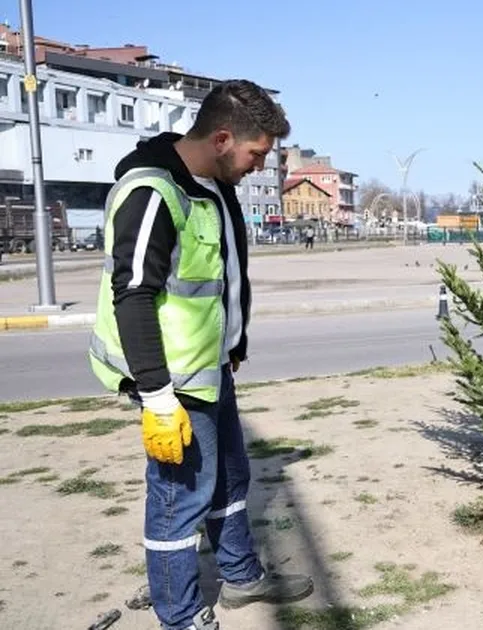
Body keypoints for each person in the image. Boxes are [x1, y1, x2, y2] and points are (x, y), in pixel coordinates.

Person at [87, 80, 312, 630]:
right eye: (257, 153)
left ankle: (238, 577)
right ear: (222, 137)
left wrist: (234, 344)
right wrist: (158, 397)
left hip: (212, 367)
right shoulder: (152, 192)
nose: (260, 166)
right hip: (171, 381)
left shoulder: (214, 183)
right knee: (178, 498)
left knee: (231, 479)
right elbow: (134, 296)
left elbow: (219, 277)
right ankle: (181, 615)